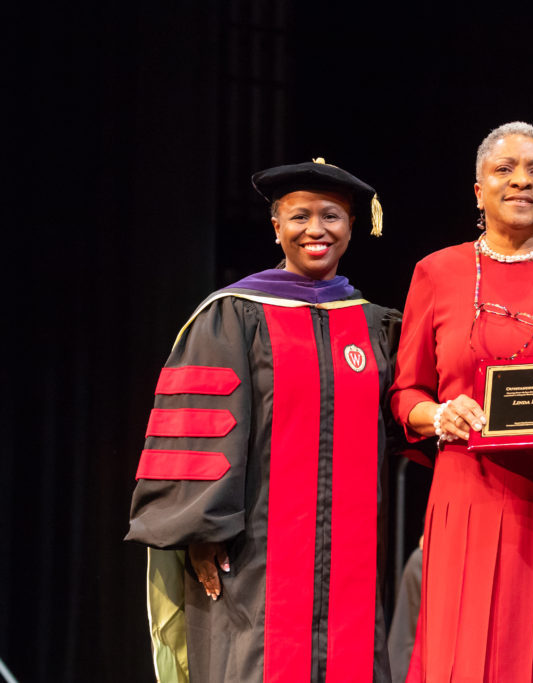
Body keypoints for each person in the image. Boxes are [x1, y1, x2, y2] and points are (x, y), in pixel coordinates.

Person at [126, 159, 399, 683]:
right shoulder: (232, 315)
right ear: (277, 226)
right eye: (300, 216)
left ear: (352, 227)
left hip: (351, 560)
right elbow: (200, 428)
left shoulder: (373, 323)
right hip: (253, 556)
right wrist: (201, 532)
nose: (316, 229)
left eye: (332, 216)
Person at [390, 121, 533, 681]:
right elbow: (405, 391)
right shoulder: (437, 272)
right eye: (503, 170)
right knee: (465, 651)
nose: (520, 182)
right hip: (468, 491)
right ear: (478, 190)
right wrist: (439, 414)